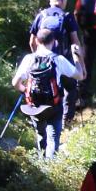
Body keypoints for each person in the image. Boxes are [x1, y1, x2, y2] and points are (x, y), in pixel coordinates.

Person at [12, 28, 82, 158]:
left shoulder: (29, 59)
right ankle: (50, 166)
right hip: (54, 106)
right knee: (53, 138)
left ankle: (41, 162)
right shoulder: (58, 59)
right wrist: (77, 57)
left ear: (37, 41)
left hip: (34, 106)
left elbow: (15, 83)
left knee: (40, 134)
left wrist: (26, 91)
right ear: (54, 42)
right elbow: (80, 75)